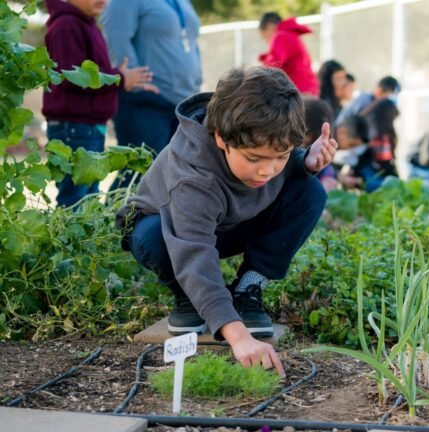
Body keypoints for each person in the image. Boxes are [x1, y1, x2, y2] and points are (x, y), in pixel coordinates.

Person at [116, 67, 338, 372]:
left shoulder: (262, 148)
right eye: (253, 159)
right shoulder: (193, 176)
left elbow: (275, 161)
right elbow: (193, 252)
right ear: (222, 138)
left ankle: (248, 287)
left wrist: (303, 161)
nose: (267, 170)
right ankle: (188, 298)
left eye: (281, 155)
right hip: (169, 234)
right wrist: (238, 336)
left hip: (226, 226)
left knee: (309, 191)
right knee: (154, 237)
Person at [43, 0, 156, 207]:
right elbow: (72, 76)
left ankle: (82, 240)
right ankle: (65, 240)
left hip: (88, 127)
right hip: (74, 128)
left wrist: (118, 76)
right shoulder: (66, 25)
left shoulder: (86, 23)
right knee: (75, 201)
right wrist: (120, 78)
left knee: (88, 200)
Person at [102, 0, 202, 188]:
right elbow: (117, 37)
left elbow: (191, 40)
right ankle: (113, 217)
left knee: (173, 180)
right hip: (145, 102)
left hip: (182, 103)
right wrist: (135, 80)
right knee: (138, 177)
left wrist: (196, 82)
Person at [258, 12, 319, 96]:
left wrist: (257, 72)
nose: (267, 42)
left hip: (300, 91)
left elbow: (274, 64)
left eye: (265, 37)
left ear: (270, 27)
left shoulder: (281, 36)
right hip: (308, 88)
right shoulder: (290, 34)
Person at [359, 98, 399, 192]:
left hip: (361, 171)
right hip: (369, 175)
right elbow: (384, 163)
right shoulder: (379, 134)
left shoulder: (367, 125)